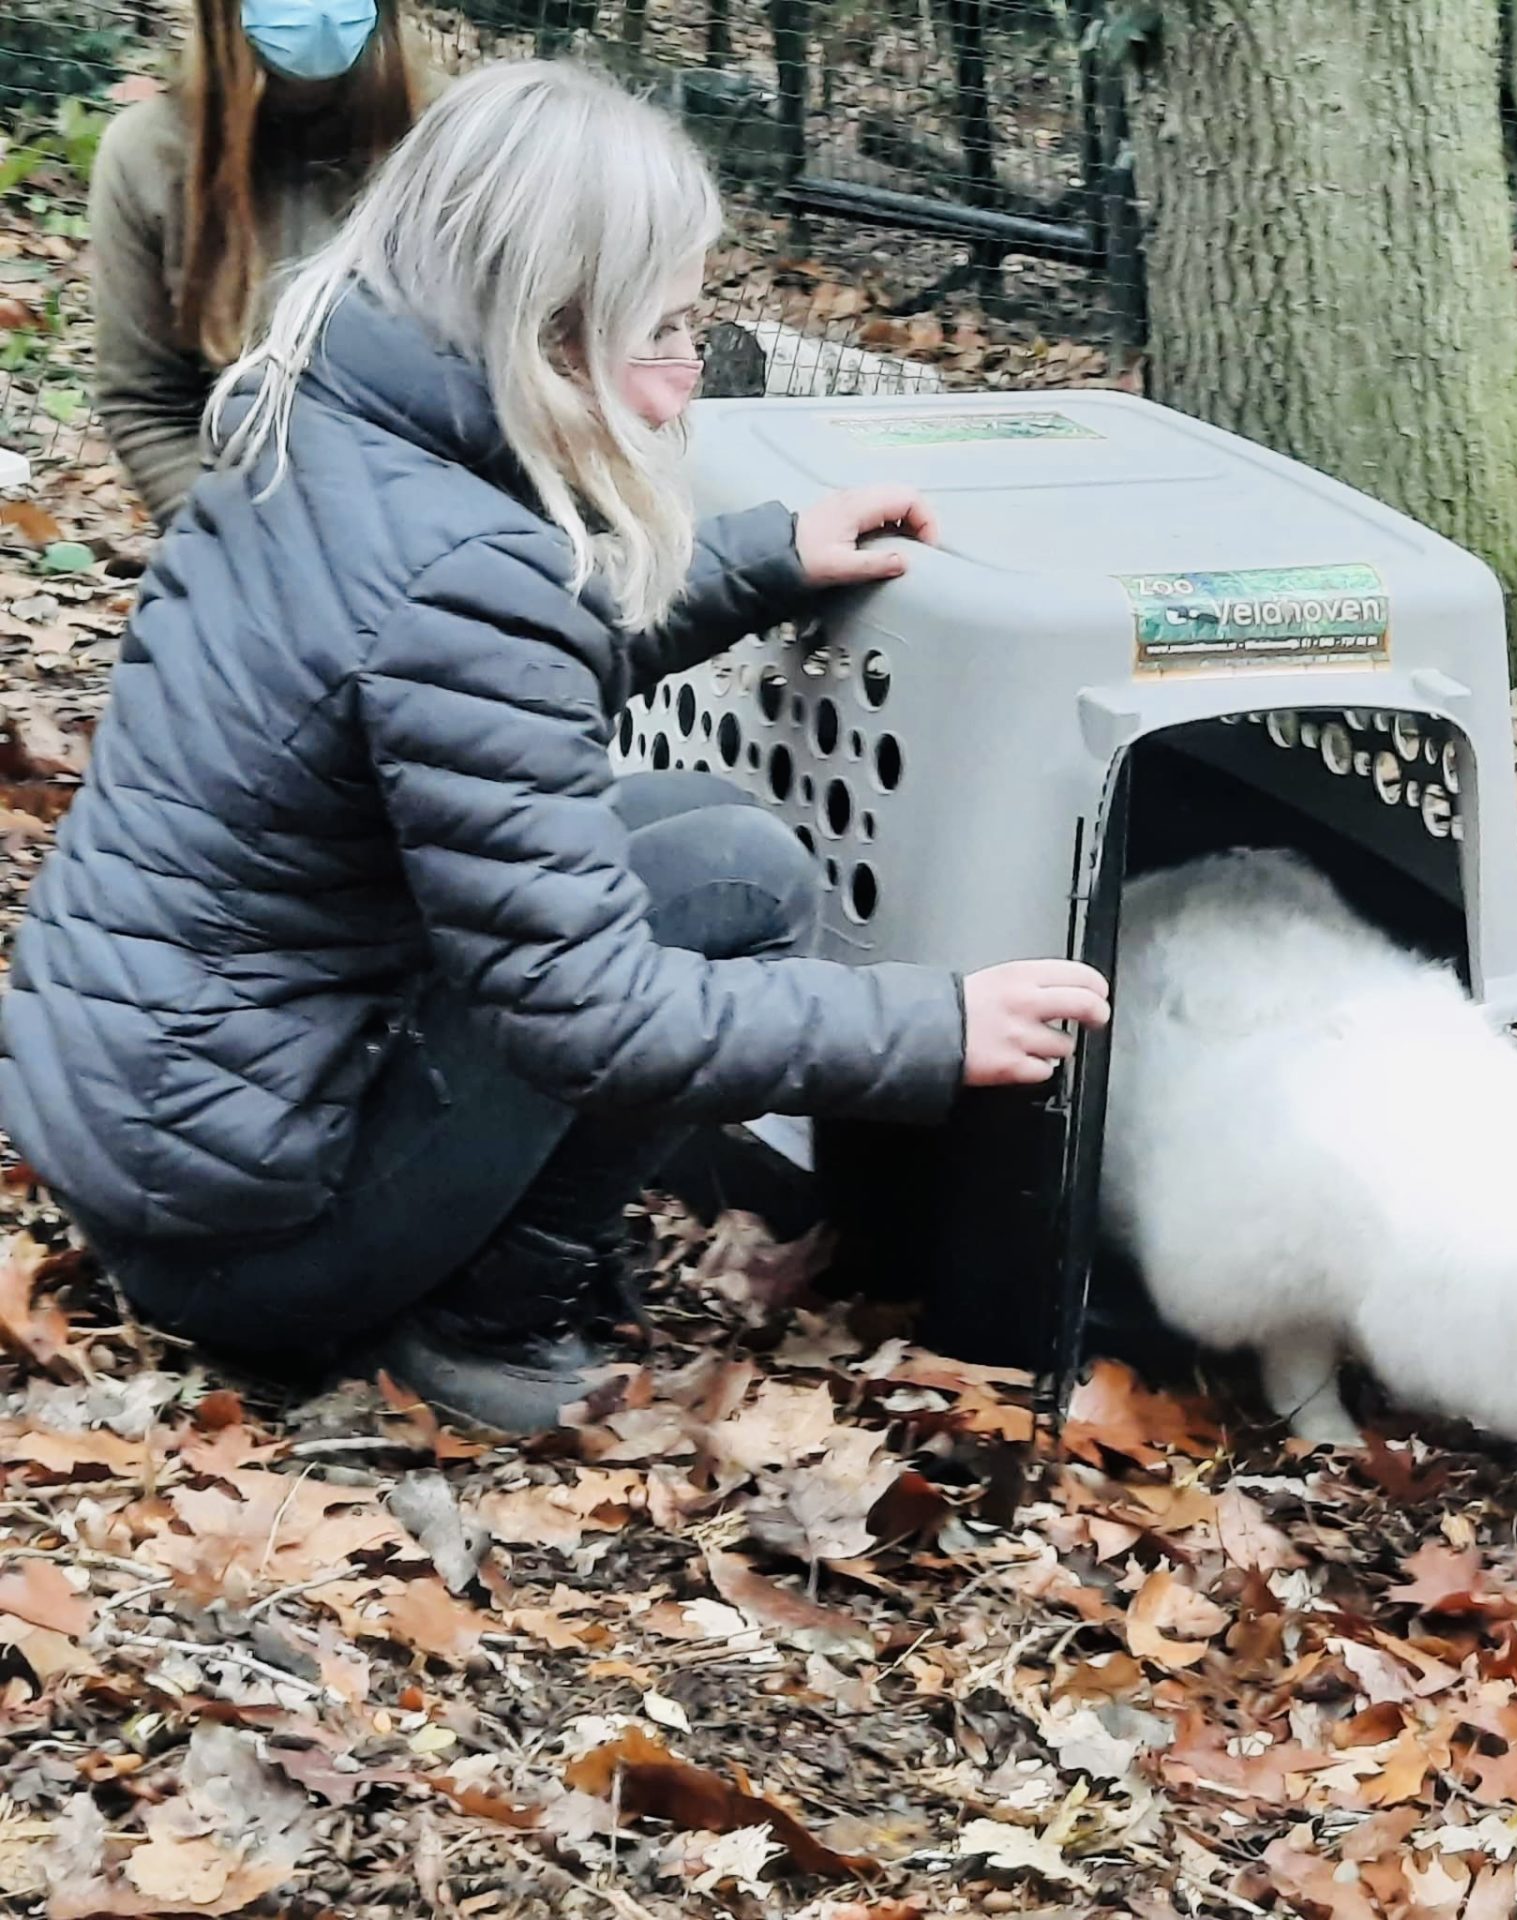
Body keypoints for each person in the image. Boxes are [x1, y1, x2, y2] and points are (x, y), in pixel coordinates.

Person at [0, 60, 1111, 1433]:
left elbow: (457, 681)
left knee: (699, 850)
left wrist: (762, 559)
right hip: (247, 1245)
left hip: (151, 1145)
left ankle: (473, 1278)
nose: (678, 384)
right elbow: (588, 1010)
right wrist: (935, 1024)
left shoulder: (314, 413)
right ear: (553, 328)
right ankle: (478, 1329)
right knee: (730, 888)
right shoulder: (466, 561)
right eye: (667, 331)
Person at [90, 0, 427, 526]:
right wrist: (231, 552)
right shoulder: (149, 156)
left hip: (433, 530)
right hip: (242, 526)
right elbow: (145, 403)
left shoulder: (453, 143)